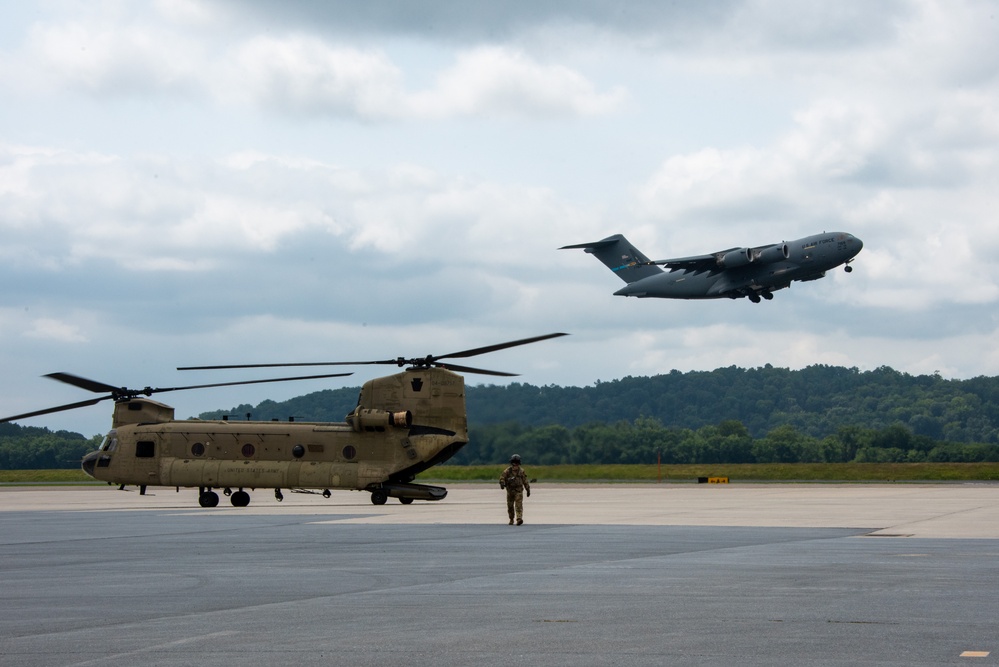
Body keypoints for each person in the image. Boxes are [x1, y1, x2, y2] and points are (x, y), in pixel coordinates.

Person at [499, 454, 530, 525]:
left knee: (518, 505)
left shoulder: (521, 471)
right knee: (510, 506)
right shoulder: (507, 471)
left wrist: (528, 489)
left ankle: (519, 518)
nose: (515, 465)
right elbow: (502, 478)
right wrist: (502, 483)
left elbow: (525, 481)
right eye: (514, 463)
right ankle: (511, 519)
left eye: (516, 463)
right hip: (510, 491)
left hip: (518, 491)